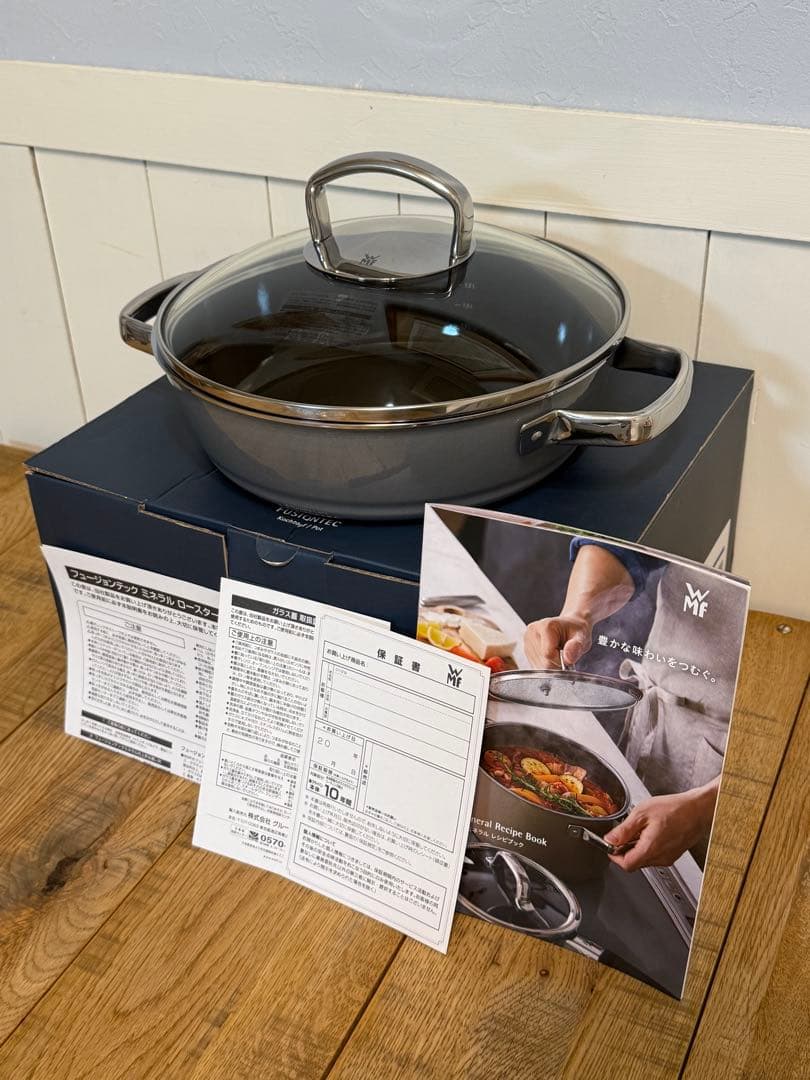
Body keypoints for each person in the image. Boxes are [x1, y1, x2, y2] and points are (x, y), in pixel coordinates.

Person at [524, 539, 747, 872]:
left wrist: (706, 808)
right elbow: (627, 545)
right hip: (657, 715)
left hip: (748, 770)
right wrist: (578, 614)